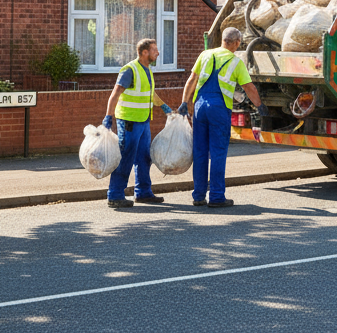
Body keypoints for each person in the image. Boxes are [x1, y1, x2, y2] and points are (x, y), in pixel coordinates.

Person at [181, 27, 265, 208]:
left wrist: (183, 102)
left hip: (199, 107)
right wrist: (260, 106)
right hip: (218, 108)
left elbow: (192, 80)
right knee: (218, 153)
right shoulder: (236, 62)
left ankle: (198, 195)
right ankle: (217, 196)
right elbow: (249, 88)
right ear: (236, 43)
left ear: (222, 40)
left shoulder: (205, 55)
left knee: (200, 152)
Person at [102, 38, 173, 209]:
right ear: (145, 52)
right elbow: (115, 94)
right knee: (125, 157)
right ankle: (115, 194)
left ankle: (143, 192)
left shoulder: (147, 70)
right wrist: (108, 117)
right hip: (129, 122)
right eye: (155, 50)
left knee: (144, 157)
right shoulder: (129, 70)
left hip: (143, 121)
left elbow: (150, 94)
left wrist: (164, 106)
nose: (158, 52)